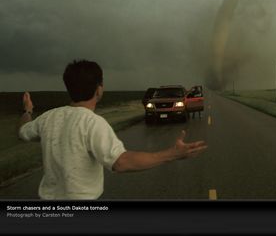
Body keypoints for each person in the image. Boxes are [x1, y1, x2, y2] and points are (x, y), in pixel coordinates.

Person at [18, 60, 207, 200]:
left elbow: (23, 130)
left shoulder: (48, 118)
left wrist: (27, 110)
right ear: (99, 89)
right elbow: (121, 163)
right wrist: (172, 154)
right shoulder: (93, 123)